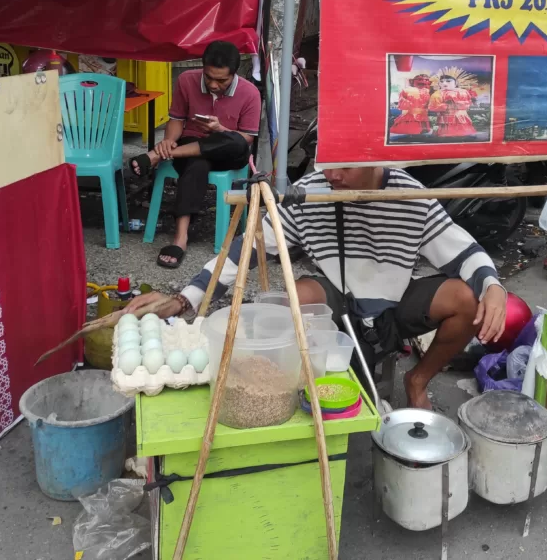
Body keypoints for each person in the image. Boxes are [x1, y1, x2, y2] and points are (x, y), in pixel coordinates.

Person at [122, 166, 508, 410]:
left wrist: (492, 284)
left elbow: (462, 251)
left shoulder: (410, 195)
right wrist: (185, 299)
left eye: (342, 166)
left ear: (372, 158)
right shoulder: (310, 191)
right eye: (326, 161)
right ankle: (302, 390)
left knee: (467, 297)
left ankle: (417, 381)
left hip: (395, 301)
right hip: (338, 299)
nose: (331, 174)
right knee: (292, 297)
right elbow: (245, 252)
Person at [128, 41, 260, 268]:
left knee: (234, 142)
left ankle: (156, 156)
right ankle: (180, 239)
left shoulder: (250, 93)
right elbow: (177, 120)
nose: (213, 84)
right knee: (197, 164)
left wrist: (220, 130)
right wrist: (169, 140)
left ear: (234, 74)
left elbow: (247, 137)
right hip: (192, 146)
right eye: (209, 77)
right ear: (202, 67)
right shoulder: (186, 80)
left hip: (229, 150)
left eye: (221, 80)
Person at [428, 68, 478, 137]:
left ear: (455, 83)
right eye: (441, 81)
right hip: (444, 118)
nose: (444, 83)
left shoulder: (463, 91)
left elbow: (468, 103)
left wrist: (456, 102)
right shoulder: (437, 93)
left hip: (461, 118)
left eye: (448, 81)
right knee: (443, 136)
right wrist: (445, 105)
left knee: (464, 136)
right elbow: (432, 107)